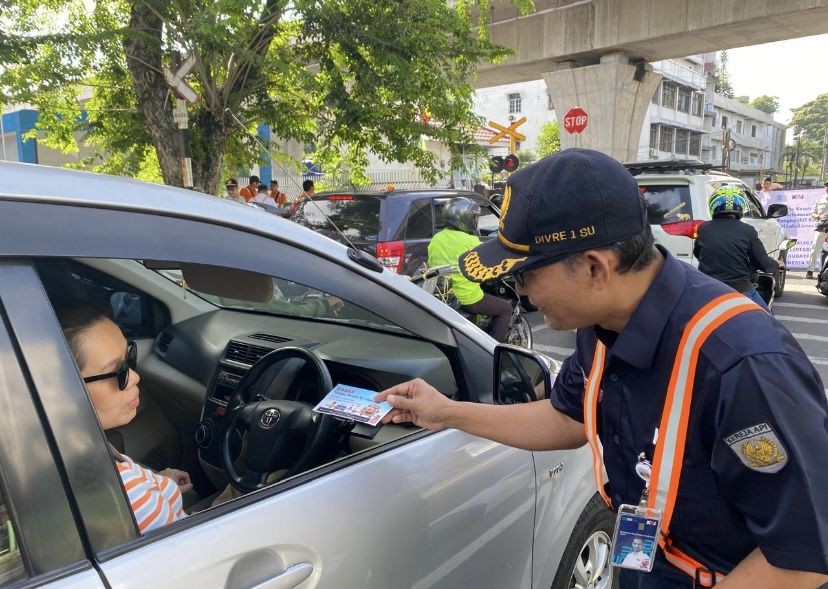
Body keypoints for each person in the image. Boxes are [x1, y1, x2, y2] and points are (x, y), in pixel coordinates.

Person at [376, 149, 828, 589]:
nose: (521, 294)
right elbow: (568, 416)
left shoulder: (743, 364)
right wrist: (445, 412)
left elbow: (799, 561)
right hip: (645, 560)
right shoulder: (601, 323)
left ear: (595, 268)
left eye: (523, 276)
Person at [56, 302, 191, 533]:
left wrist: (160, 481)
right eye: (118, 371)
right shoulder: (128, 499)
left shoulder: (66, 448)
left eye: (130, 358)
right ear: (64, 390)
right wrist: (146, 492)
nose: (135, 377)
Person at [427, 197, 511, 342]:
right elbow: (486, 267)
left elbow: (432, 265)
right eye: (473, 216)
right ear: (464, 217)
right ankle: (495, 349)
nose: (475, 220)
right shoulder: (471, 241)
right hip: (468, 298)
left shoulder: (436, 239)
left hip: (445, 296)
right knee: (505, 309)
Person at [692, 185, 779, 310]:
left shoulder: (703, 228)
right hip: (739, 288)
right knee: (768, 322)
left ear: (713, 205)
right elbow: (764, 263)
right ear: (741, 206)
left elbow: (698, 254)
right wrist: (776, 264)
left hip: (707, 288)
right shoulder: (747, 230)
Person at [805, 181, 828, 279]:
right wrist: (818, 216)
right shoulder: (820, 199)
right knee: (815, 249)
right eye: (827, 186)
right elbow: (812, 213)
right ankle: (810, 270)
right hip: (822, 227)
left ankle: (824, 272)